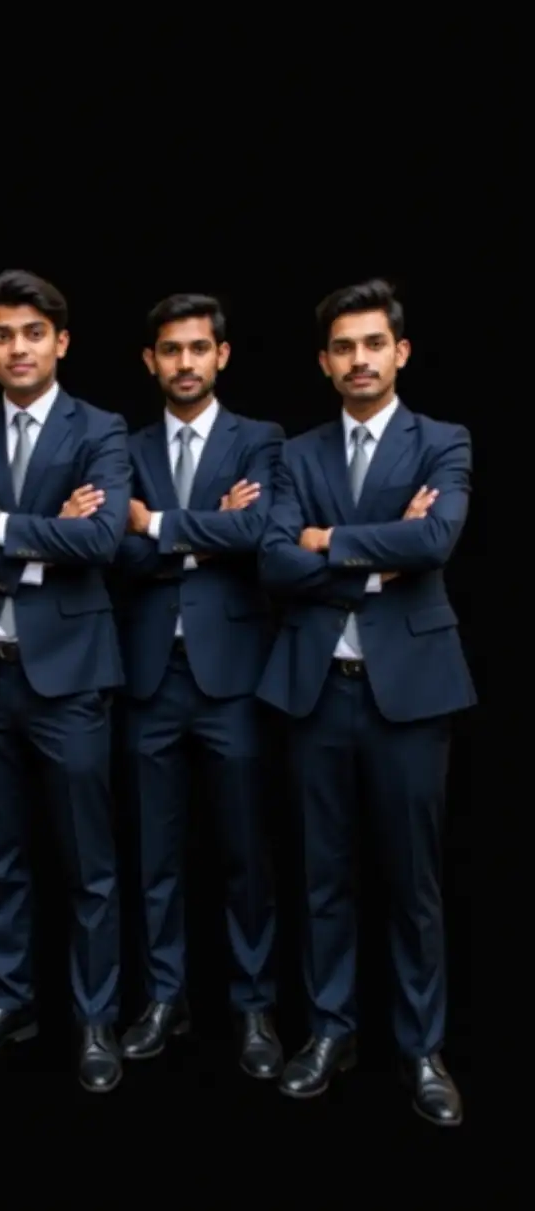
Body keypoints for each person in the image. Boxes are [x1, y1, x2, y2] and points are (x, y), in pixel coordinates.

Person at [257, 278, 475, 1127]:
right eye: (343, 347)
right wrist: (380, 556)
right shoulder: (295, 454)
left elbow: (437, 539)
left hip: (411, 697)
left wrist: (330, 541)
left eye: (373, 344)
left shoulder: (444, 440)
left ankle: (422, 1049)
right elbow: (275, 561)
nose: (359, 359)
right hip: (317, 691)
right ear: (323, 361)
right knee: (322, 877)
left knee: (413, 883)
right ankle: (330, 1033)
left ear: (400, 352)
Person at [0, 269, 130, 1093]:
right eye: (3, 336)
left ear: (61, 342)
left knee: (89, 865)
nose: (18, 348)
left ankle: (95, 1021)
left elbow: (106, 537)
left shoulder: (100, 427)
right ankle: (9, 1004)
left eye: (33, 334)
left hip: (72, 679)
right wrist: (47, 544)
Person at [114, 293, 284, 1076]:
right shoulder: (125, 443)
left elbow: (257, 535)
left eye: (197, 349)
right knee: (156, 853)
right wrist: (202, 528)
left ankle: (254, 1009)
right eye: (169, 351)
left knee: (246, 849)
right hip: (149, 676)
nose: (184, 363)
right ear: (151, 361)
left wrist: (159, 525)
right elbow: (112, 550)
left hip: (234, 679)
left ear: (221, 356)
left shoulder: (263, 440)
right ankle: (163, 999)